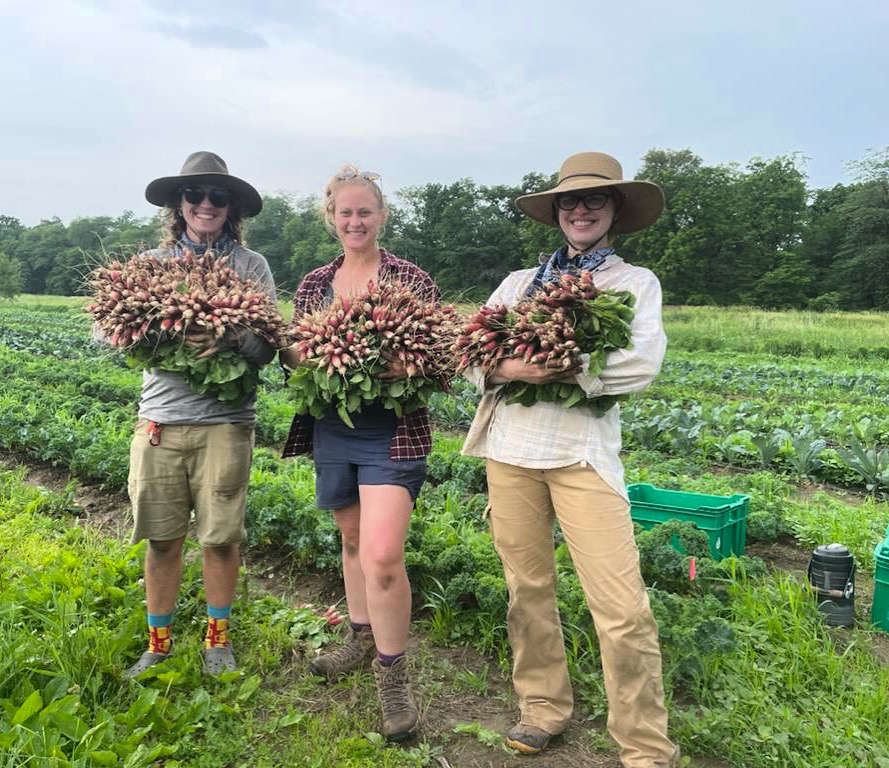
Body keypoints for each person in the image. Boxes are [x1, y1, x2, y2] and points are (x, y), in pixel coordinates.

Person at [461, 152, 679, 768]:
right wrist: (514, 366)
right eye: (569, 202)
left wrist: (571, 365)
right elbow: (473, 353)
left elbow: (640, 364)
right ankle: (542, 706)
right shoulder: (515, 284)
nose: (580, 210)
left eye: (594, 201)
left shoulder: (632, 284)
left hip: (582, 455)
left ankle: (644, 746)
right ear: (556, 213)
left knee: (620, 606)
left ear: (614, 212)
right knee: (527, 588)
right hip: (509, 451)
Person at [281, 164, 434, 742]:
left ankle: (393, 672)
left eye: (364, 211)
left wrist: (407, 363)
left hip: (393, 433)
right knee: (350, 540)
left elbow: (436, 354)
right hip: (333, 429)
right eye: (344, 212)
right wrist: (309, 351)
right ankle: (359, 635)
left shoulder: (410, 278)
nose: (354, 220)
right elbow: (293, 354)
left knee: (383, 556)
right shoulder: (315, 284)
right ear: (331, 218)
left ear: (381, 215)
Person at [123, 151, 277, 678]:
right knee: (163, 538)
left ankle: (217, 640)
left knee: (220, 536)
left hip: (226, 423)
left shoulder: (251, 267)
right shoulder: (149, 266)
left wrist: (230, 334)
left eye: (218, 196)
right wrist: (166, 328)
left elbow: (269, 346)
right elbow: (109, 332)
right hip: (160, 421)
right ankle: (158, 643)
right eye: (195, 195)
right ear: (178, 204)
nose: (206, 204)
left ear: (231, 207)